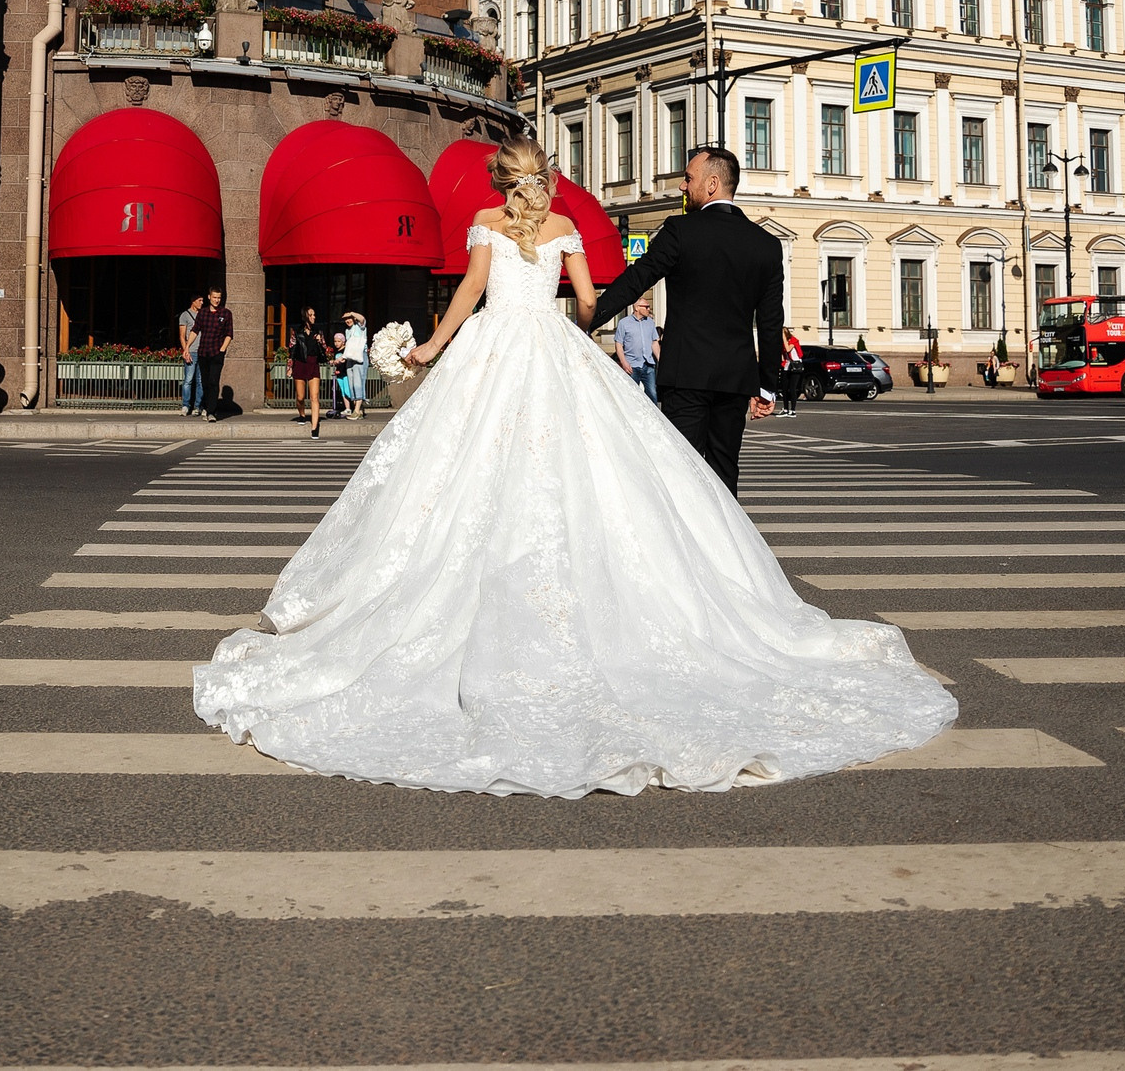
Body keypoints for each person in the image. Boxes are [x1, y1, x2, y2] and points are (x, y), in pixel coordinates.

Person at [194, 135, 953, 798]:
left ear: (502, 182)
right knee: (627, 476)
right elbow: (590, 302)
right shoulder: (567, 229)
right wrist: (589, 317)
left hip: (493, 352)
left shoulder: (488, 224)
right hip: (560, 354)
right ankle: (699, 568)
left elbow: (467, 292)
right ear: (546, 180)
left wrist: (429, 347)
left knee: (457, 468)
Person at [585, 145, 783, 494]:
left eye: (688, 179)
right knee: (724, 475)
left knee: (680, 475)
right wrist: (766, 386)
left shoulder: (681, 231)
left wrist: (588, 320)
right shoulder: (766, 245)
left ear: (712, 183)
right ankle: (728, 548)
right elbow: (770, 322)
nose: (681, 186)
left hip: (686, 374)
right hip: (735, 379)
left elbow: (637, 280)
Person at [191, 289, 234, 418]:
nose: (216, 300)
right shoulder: (203, 313)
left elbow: (229, 334)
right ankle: (206, 405)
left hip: (216, 352)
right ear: (209, 297)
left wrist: (222, 350)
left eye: (219, 298)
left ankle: (211, 412)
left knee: (213, 381)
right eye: (214, 297)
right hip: (203, 352)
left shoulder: (226, 313)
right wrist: (187, 346)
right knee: (204, 382)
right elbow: (195, 330)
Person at [287, 310, 328, 436]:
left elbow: (325, 349)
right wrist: (290, 367)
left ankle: (314, 428)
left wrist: (320, 341)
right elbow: (292, 349)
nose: (314, 317)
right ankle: (302, 414)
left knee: (314, 397)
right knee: (300, 397)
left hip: (313, 363)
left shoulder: (318, 331)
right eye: (311, 315)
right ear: (305, 316)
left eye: (315, 314)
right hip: (300, 363)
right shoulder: (296, 331)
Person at [613, 295, 659, 403]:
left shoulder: (650, 323)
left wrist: (660, 359)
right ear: (637, 308)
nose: (649, 309)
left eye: (649, 307)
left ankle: (654, 419)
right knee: (631, 396)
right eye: (646, 307)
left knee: (652, 394)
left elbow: (654, 342)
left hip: (648, 364)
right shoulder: (624, 323)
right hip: (632, 365)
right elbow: (618, 344)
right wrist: (623, 362)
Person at [334, 311, 368, 420]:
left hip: (359, 357)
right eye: (345, 319)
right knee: (351, 382)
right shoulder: (347, 331)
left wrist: (352, 313)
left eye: (349, 318)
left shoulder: (359, 326)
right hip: (350, 358)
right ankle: (358, 409)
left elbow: (362, 319)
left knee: (358, 382)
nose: (347, 320)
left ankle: (357, 411)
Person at [178, 294, 206, 417]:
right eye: (199, 300)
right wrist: (186, 350)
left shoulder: (204, 315)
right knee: (188, 380)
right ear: (193, 301)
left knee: (200, 380)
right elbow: (182, 335)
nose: (202, 303)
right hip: (192, 351)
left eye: (203, 301)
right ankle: (185, 405)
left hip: (203, 351)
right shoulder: (185, 315)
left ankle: (198, 406)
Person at [778, 328, 806, 416]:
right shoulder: (783, 343)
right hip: (787, 366)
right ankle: (785, 409)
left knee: (792, 388)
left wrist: (783, 338)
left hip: (795, 366)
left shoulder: (793, 341)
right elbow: (783, 356)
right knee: (784, 388)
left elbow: (788, 349)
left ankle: (793, 410)